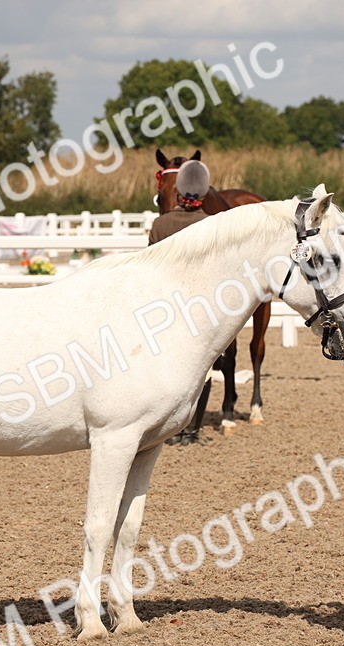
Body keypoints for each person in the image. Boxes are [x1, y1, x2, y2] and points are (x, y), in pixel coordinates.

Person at [147, 161, 214, 445]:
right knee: (203, 370)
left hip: (165, 307)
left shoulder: (159, 224)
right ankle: (192, 430)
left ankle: (168, 431)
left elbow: (149, 269)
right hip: (199, 309)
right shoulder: (211, 224)